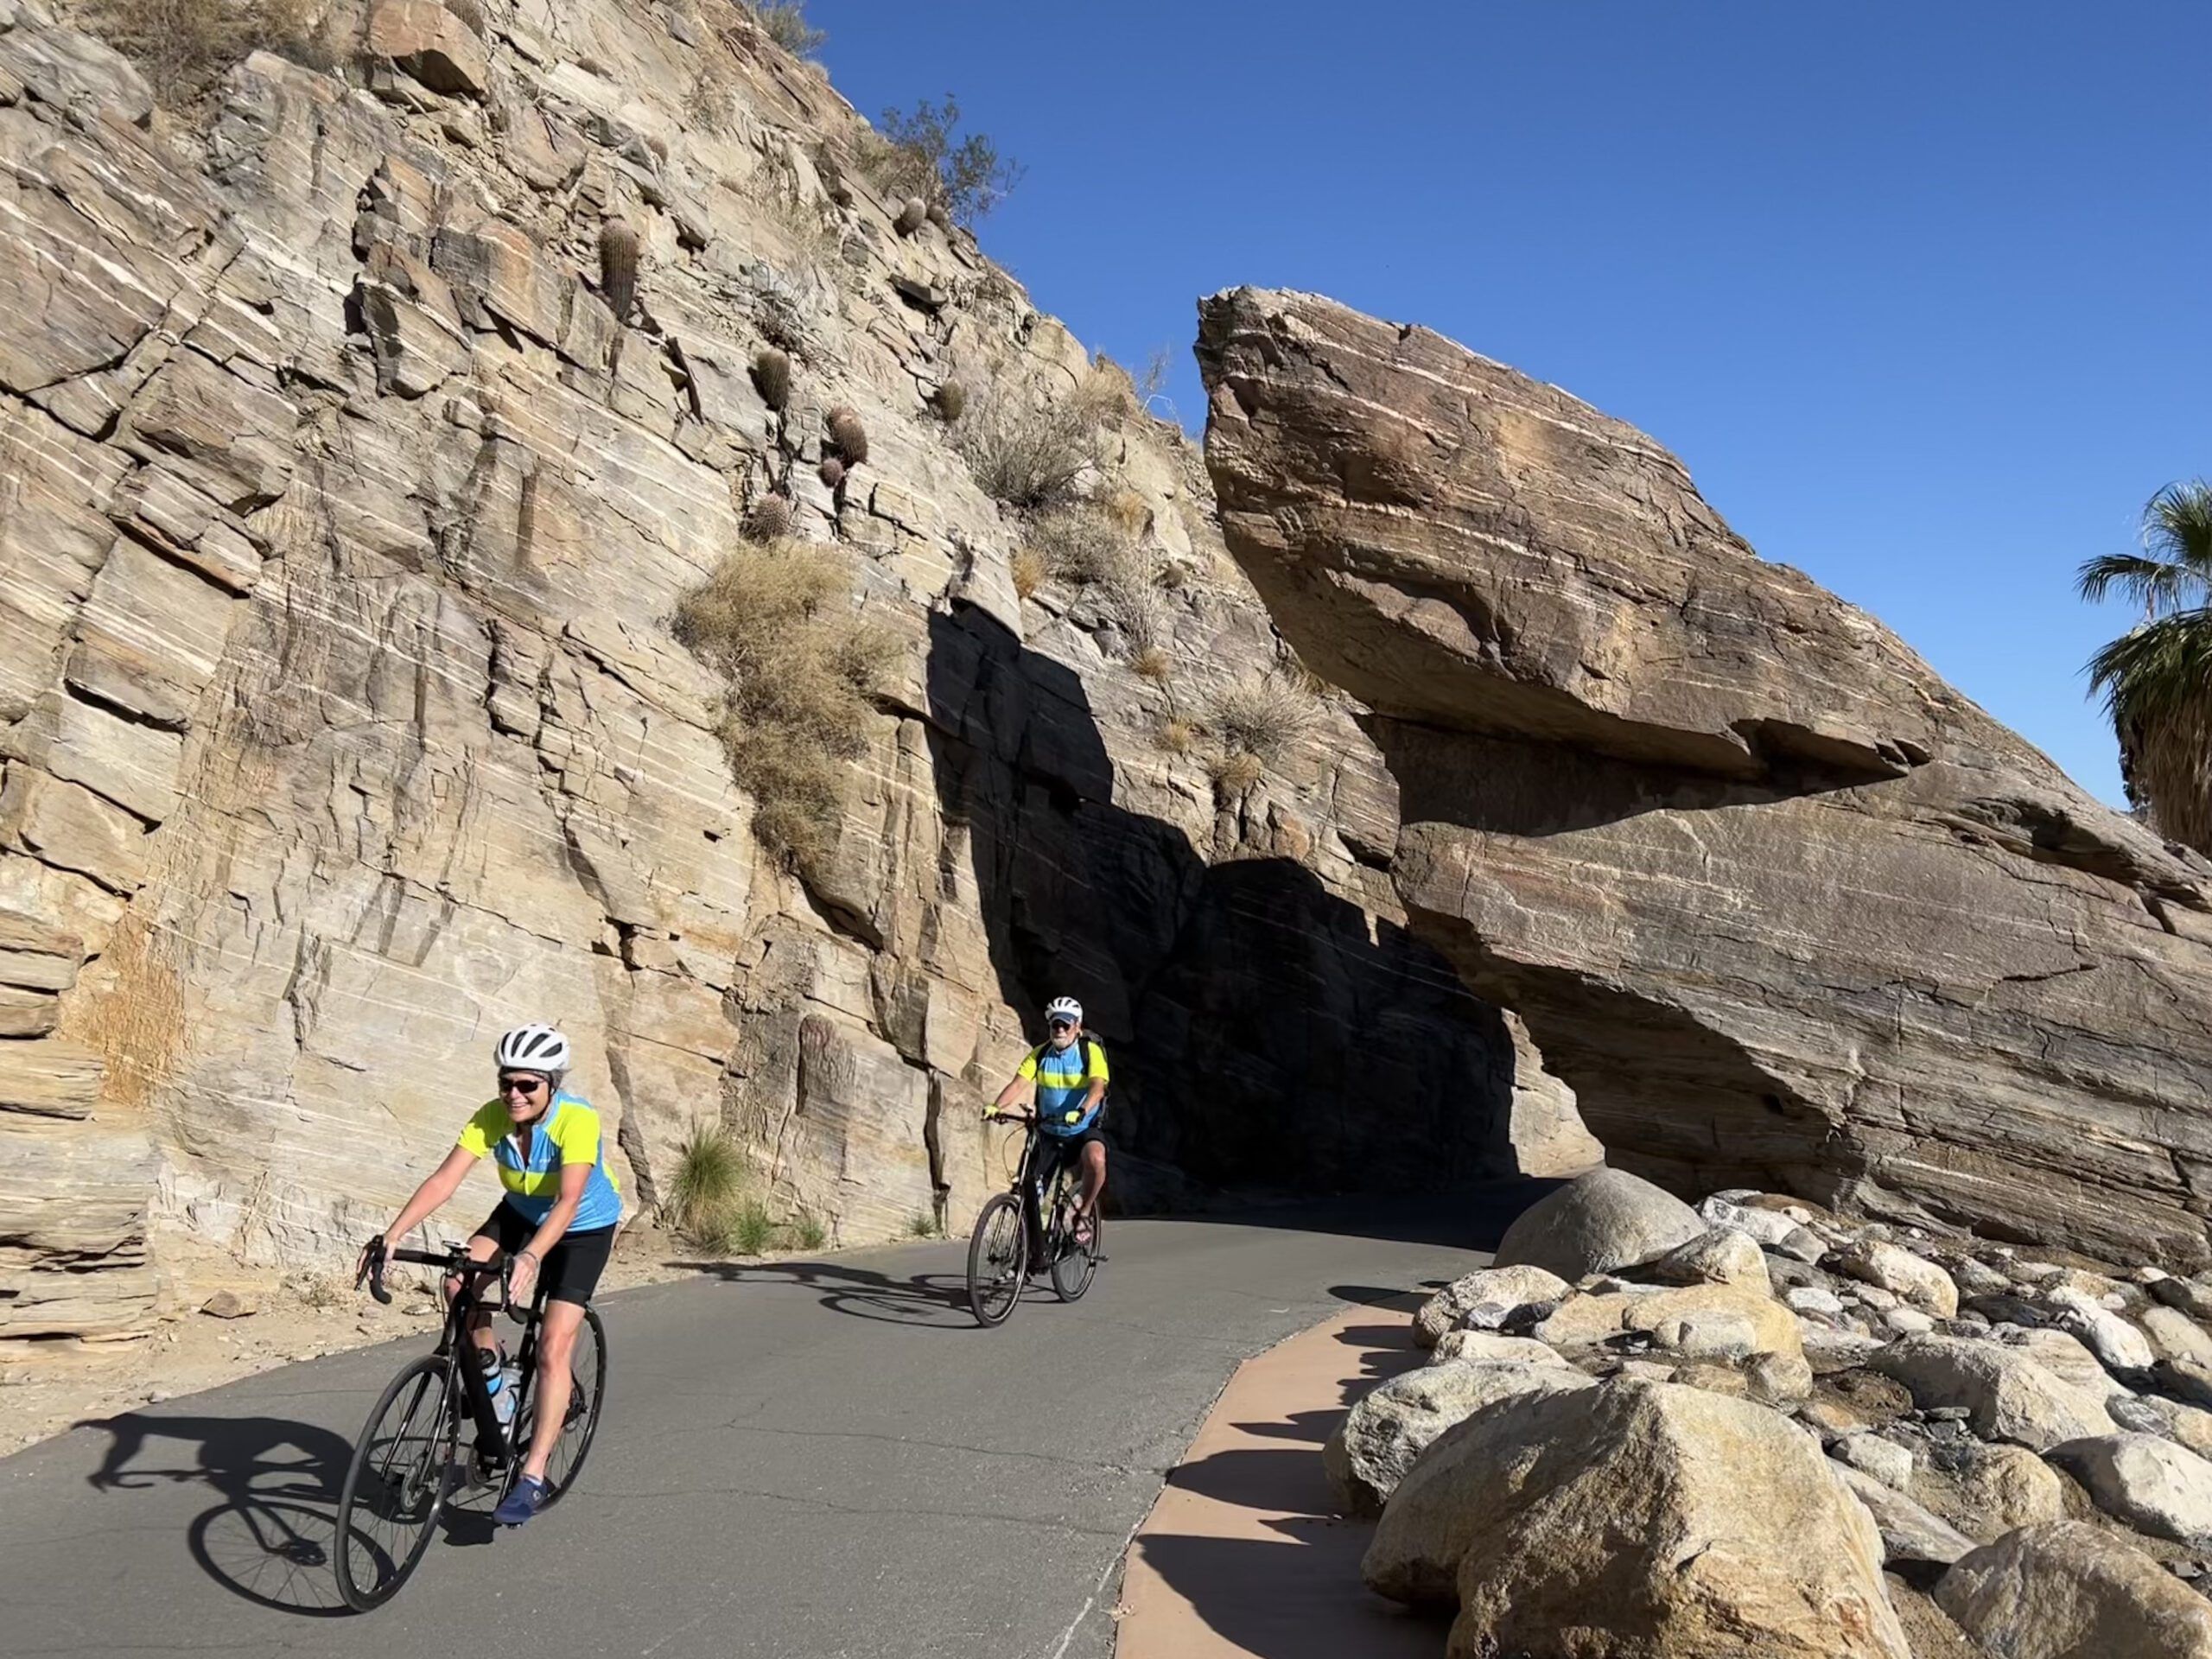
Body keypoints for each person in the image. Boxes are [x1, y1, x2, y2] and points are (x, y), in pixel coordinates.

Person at [354, 1023, 620, 1527]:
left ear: (551, 1086)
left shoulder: (577, 1120)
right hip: (519, 1212)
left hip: (581, 1226)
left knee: (553, 1347)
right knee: (457, 1281)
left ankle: (533, 1474)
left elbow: (568, 1202)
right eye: (507, 1082)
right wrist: (393, 1235)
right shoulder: (492, 1117)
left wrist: (531, 1257)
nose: (514, 1094)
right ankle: (494, 1379)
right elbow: (445, 1179)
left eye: (527, 1086)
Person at [986, 996, 1109, 1244]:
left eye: (1065, 1024)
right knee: (1029, 1191)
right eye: (1055, 1025)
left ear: (1077, 1026)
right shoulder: (1040, 1054)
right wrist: (996, 1106)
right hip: (1048, 1132)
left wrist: (1083, 1110)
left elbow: (1098, 1086)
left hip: (1081, 1129)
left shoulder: (1089, 1052)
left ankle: (1083, 1213)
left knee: (1096, 1159)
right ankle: (1027, 1259)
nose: (1060, 1030)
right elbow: (1018, 1083)